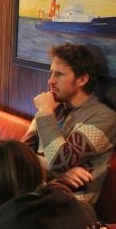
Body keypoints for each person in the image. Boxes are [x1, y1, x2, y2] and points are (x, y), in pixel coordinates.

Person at [22, 43, 116, 204]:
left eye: (59, 74)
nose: (50, 81)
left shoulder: (104, 117)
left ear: (82, 79)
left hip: (68, 209)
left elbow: (60, 161)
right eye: (51, 73)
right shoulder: (54, 107)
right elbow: (18, 154)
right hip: (36, 196)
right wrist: (59, 173)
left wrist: (44, 111)